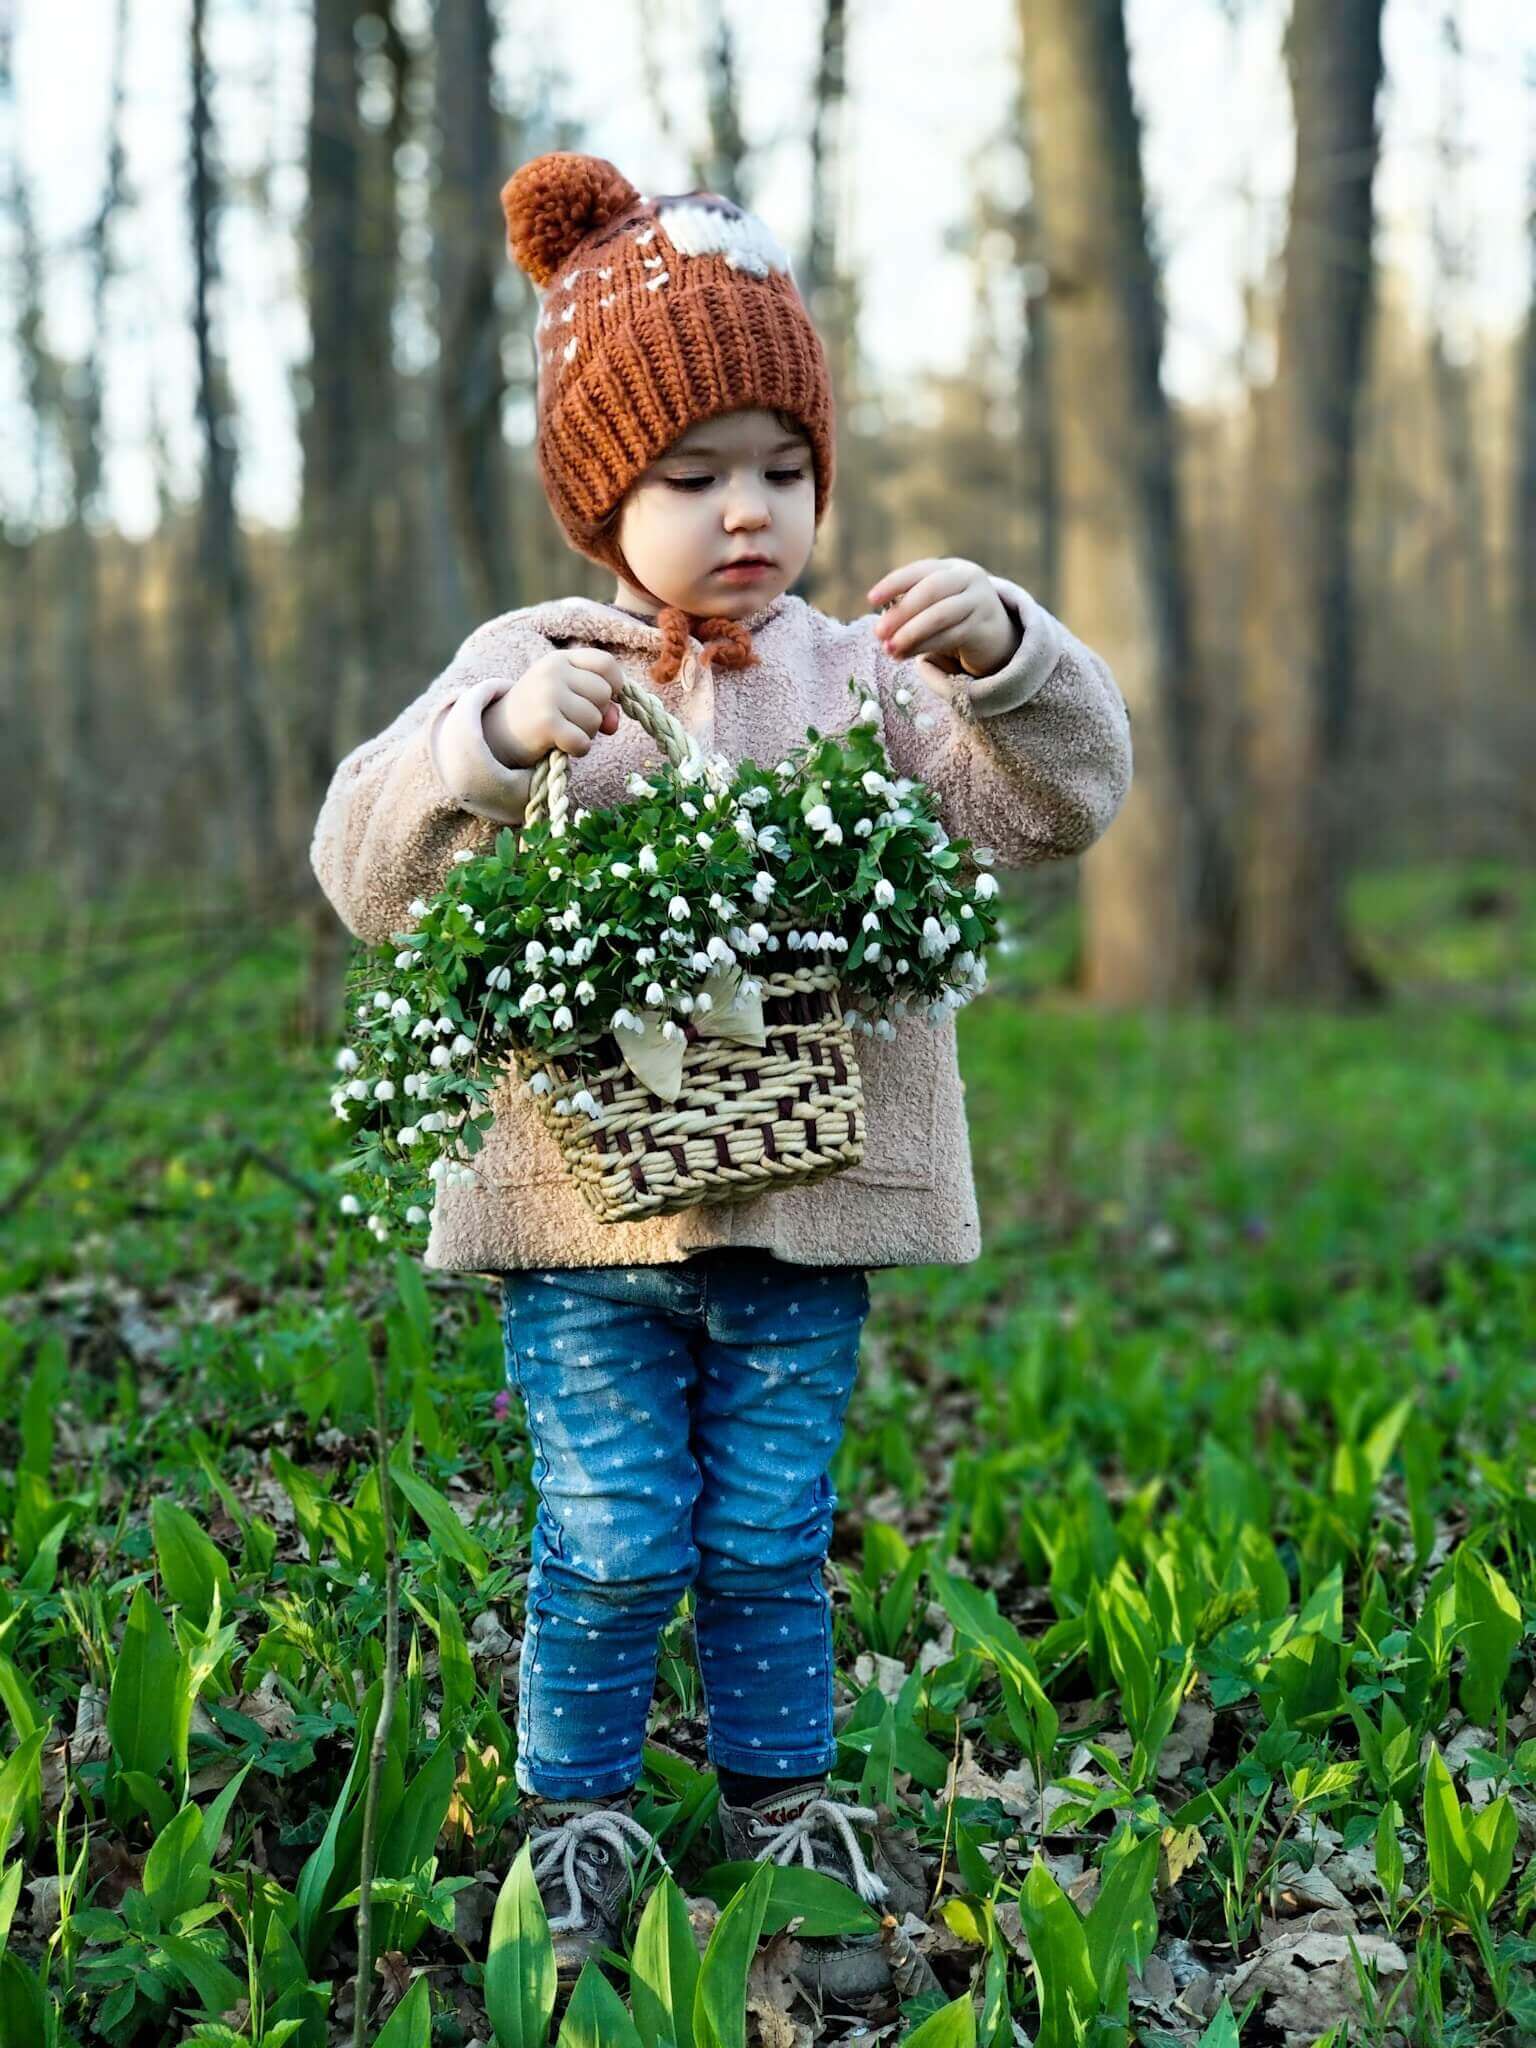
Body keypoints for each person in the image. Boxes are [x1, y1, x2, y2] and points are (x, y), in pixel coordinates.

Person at [310, 150, 1133, 1997]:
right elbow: (362, 869)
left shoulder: (868, 675)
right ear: (607, 496)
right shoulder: (536, 663)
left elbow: (1062, 803)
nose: (745, 511)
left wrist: (1009, 659)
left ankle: (781, 1805)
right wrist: (488, 742)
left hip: (808, 1198)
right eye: (692, 477)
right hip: (584, 1210)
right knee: (608, 1528)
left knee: (767, 1524)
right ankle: (576, 1816)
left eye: (783, 469)